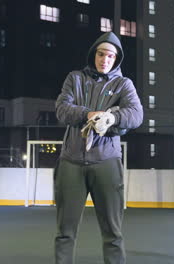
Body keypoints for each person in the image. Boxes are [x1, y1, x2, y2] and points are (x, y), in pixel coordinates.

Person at [54, 32, 144, 264]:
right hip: (71, 162)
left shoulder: (124, 84)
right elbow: (62, 109)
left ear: (117, 59)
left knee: (113, 233)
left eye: (111, 56)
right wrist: (88, 114)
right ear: (94, 54)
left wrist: (112, 118)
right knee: (65, 232)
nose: (105, 59)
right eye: (101, 54)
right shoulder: (74, 78)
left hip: (107, 162)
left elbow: (136, 114)